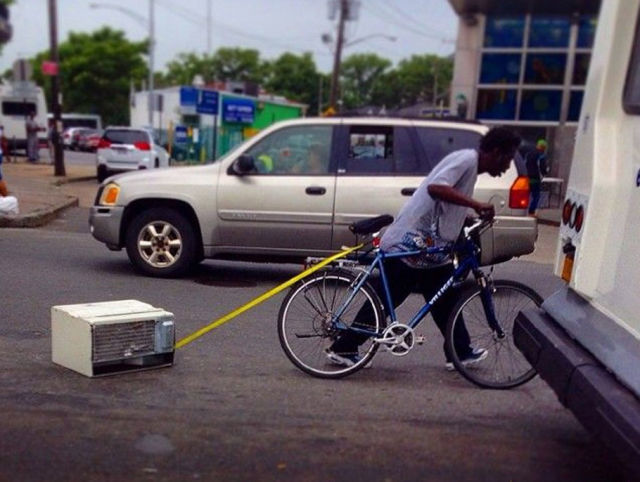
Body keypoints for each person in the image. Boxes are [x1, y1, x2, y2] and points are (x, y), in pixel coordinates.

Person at [326, 127, 522, 369]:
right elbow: (436, 188)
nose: (506, 167)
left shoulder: (469, 165)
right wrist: (475, 204)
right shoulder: (466, 160)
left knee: (445, 299)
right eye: (508, 159)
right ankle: (344, 347)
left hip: (427, 251)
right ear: (496, 152)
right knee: (386, 302)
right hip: (410, 246)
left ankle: (460, 352)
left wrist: (465, 217)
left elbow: (443, 204)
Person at [526, 139, 549, 217]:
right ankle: (531, 212)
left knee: (526, 194)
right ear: (543, 147)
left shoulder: (529, 153)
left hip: (527, 177)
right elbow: (542, 167)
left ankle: (523, 210)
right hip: (536, 178)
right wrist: (545, 172)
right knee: (536, 196)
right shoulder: (541, 155)